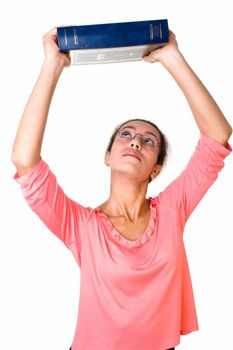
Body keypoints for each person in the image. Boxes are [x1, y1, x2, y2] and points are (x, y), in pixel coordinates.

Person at [12, 26, 232, 350]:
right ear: (107, 156)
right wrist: (52, 65)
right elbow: (25, 162)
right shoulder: (83, 226)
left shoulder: (172, 210)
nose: (136, 143)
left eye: (148, 141)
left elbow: (217, 136)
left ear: (155, 169)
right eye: (126, 135)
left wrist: (172, 56)